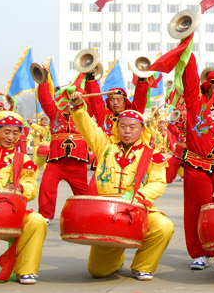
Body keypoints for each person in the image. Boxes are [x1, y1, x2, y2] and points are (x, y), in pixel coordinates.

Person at [69, 92, 174, 281]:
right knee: (98, 272)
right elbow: (88, 128)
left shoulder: (152, 155)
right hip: (108, 212)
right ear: (116, 128)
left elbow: (158, 183)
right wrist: (78, 108)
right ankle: (115, 260)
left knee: (163, 226)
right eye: (123, 126)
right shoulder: (105, 146)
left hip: (138, 207)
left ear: (142, 130)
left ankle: (143, 266)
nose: (127, 131)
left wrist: (135, 197)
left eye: (133, 127)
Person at [0, 111, 47, 285]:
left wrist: (19, 188)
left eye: (16, 132)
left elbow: (31, 187)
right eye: (6, 131)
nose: (11, 137)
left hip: (8, 214)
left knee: (36, 220)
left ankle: (26, 270)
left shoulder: (22, 160)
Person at [179, 57, 214, 271]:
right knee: (198, 207)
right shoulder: (195, 104)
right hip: (197, 164)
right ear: (207, 88)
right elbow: (189, 80)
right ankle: (199, 253)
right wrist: (186, 46)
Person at [35, 76, 90, 223]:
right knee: (46, 187)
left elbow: (91, 102)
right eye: (65, 101)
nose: (67, 104)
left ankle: (87, 216)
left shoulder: (83, 115)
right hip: (56, 162)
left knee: (84, 193)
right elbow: (46, 101)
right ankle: (45, 216)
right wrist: (43, 83)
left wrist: (88, 80)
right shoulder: (55, 114)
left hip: (77, 163)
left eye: (70, 101)